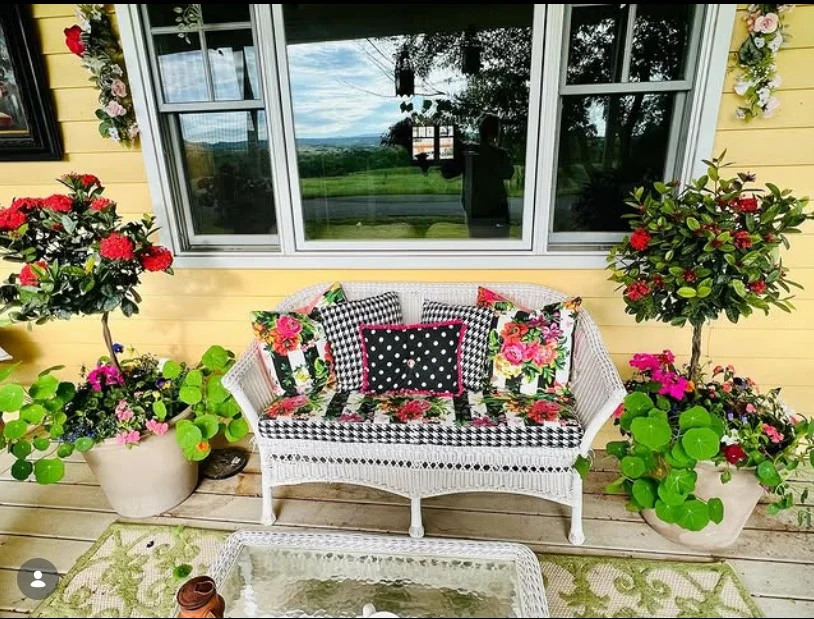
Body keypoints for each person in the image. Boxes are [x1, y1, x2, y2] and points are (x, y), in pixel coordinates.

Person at [442, 113, 515, 238]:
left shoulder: (469, 153)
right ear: (496, 133)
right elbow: (508, 172)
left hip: (476, 211)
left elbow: (447, 173)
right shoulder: (498, 155)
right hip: (496, 212)